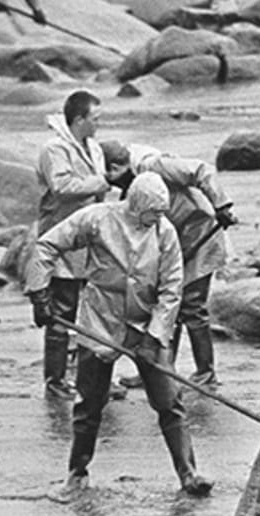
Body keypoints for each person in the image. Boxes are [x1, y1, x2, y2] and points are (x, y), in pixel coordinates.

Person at [26, 174, 211, 497]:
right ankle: (77, 474)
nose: (158, 218)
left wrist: (155, 336)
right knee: (90, 404)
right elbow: (47, 245)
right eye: (153, 211)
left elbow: (171, 288)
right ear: (136, 204)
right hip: (101, 320)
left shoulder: (164, 232)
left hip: (145, 322)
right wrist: (40, 294)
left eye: (162, 212)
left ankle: (188, 473)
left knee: (169, 401)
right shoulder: (97, 219)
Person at [101, 140, 237, 386]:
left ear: (115, 167)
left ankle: (206, 374)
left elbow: (201, 170)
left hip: (200, 237)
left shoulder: (154, 166)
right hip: (174, 245)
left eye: (108, 175)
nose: (108, 182)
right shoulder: (130, 191)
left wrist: (222, 205)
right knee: (164, 305)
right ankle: (161, 370)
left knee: (192, 307)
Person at [34, 91, 111, 396]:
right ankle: (55, 381)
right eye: (95, 119)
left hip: (90, 237)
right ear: (79, 119)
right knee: (62, 310)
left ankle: (87, 376)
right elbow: (62, 186)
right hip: (63, 236)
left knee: (93, 309)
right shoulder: (54, 149)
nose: (99, 124)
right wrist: (101, 183)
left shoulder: (93, 147)